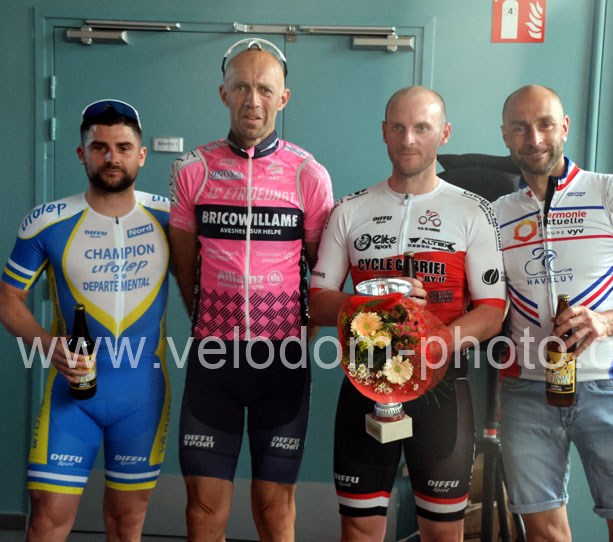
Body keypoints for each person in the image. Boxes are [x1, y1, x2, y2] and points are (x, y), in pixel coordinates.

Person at [493, 84, 613, 541]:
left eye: (545, 124)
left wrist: (607, 322)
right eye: (520, 127)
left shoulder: (612, 192)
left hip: (608, 386)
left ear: (564, 127)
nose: (534, 138)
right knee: (544, 536)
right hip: (527, 392)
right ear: (505, 135)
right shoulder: (497, 214)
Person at [310, 86, 506, 541]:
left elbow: (492, 312)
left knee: (442, 533)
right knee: (359, 529)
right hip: (365, 386)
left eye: (421, 127)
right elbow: (317, 302)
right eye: (398, 127)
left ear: (444, 133)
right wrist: (376, 303)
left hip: (442, 391)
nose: (408, 139)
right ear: (383, 132)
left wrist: (430, 342)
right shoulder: (349, 210)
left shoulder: (473, 212)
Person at [169, 39, 334, 541]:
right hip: (214, 360)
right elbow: (184, 267)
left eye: (265, 89)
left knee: (274, 508)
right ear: (223, 93)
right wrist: (208, 322)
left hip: (281, 362)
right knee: (202, 511)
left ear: (284, 97)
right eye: (241, 87)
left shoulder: (308, 174)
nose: (252, 100)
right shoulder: (193, 169)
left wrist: (297, 335)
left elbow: (321, 275)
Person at [0, 99, 171, 540]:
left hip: (142, 395)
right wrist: (47, 344)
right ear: (82, 153)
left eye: (123, 147)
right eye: (99, 147)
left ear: (141, 154)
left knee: (127, 522)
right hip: (70, 396)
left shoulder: (170, 218)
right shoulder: (46, 222)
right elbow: (8, 298)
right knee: (47, 518)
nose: (111, 157)